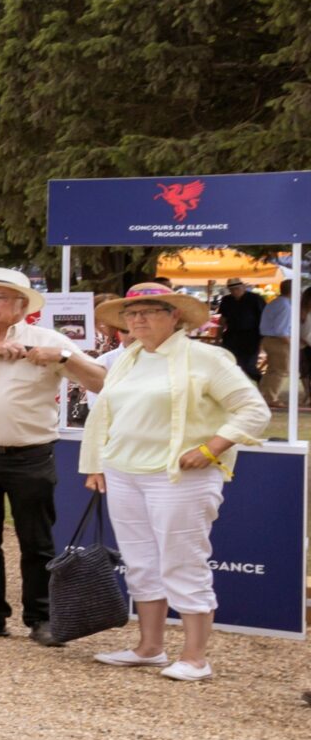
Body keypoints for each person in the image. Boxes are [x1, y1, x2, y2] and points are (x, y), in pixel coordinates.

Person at [79, 283, 270, 681]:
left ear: (175, 316)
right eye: (132, 314)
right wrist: (97, 463)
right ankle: (149, 647)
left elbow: (252, 409)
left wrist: (211, 448)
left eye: (150, 311)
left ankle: (196, 656)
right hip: (124, 472)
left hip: (180, 476)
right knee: (140, 560)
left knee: (183, 560)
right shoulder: (127, 359)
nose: (139, 319)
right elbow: (104, 415)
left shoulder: (206, 358)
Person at [0, 266, 111, 643]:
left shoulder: (47, 339)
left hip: (28, 456)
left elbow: (98, 381)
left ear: (21, 305)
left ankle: (41, 616)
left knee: (36, 540)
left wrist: (61, 357)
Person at [214, 279, 263, 387]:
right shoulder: (227, 300)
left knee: (249, 364)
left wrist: (262, 338)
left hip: (251, 336)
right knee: (230, 362)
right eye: (232, 289)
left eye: (237, 289)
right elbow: (223, 319)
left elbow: (263, 318)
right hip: (232, 335)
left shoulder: (255, 299)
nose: (235, 291)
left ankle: (262, 383)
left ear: (243, 288)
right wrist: (218, 336)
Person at [260, 279, 294, 407]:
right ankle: (271, 397)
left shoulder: (274, 302)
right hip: (278, 341)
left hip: (268, 339)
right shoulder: (285, 306)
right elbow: (281, 330)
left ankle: (263, 394)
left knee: (272, 370)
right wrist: (291, 344)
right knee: (280, 371)